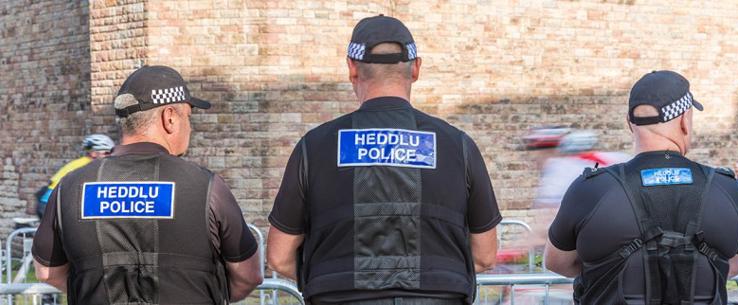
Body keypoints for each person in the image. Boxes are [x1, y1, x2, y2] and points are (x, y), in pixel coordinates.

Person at [266, 15, 501, 305]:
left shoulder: (313, 148)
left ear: (353, 69)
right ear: (415, 69)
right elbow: (485, 255)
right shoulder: (459, 146)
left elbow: (278, 256)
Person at [31, 65, 262, 304]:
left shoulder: (70, 187)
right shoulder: (206, 187)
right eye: (188, 118)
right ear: (169, 117)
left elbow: (47, 271)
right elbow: (249, 275)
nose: (190, 128)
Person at [545, 70, 738, 304]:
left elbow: (557, 262)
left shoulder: (590, 190)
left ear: (629, 124)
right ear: (685, 120)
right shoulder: (727, 189)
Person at [35, 134, 115, 218]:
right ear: (94, 153)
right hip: (50, 205)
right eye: (106, 153)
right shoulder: (86, 166)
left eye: (111, 153)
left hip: (54, 203)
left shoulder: (84, 163)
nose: (109, 156)